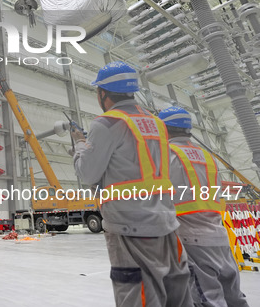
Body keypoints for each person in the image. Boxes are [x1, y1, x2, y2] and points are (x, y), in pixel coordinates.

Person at [72, 61, 193, 307]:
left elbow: (88, 174)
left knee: (138, 295)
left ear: (102, 93)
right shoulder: (158, 125)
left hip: (131, 227)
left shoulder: (106, 123)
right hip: (166, 222)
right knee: (176, 294)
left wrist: (79, 146)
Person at [158, 106, 249, 307]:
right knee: (234, 298)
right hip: (219, 235)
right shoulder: (208, 157)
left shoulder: (166, 155)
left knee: (207, 299)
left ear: (164, 129)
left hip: (191, 236)